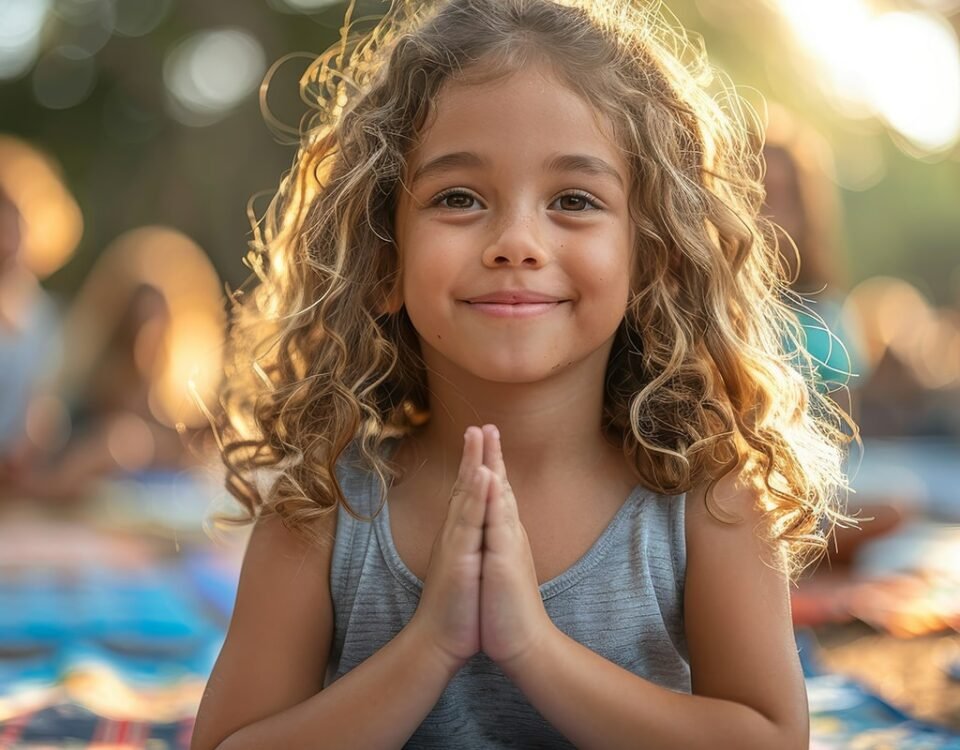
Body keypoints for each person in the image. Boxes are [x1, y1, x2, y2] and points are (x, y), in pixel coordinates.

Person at [191, 1, 857, 747]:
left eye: (573, 200)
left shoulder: (712, 501)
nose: (516, 241)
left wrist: (533, 648)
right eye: (458, 198)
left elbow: (770, 739)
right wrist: (428, 647)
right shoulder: (320, 510)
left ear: (652, 260)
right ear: (383, 259)